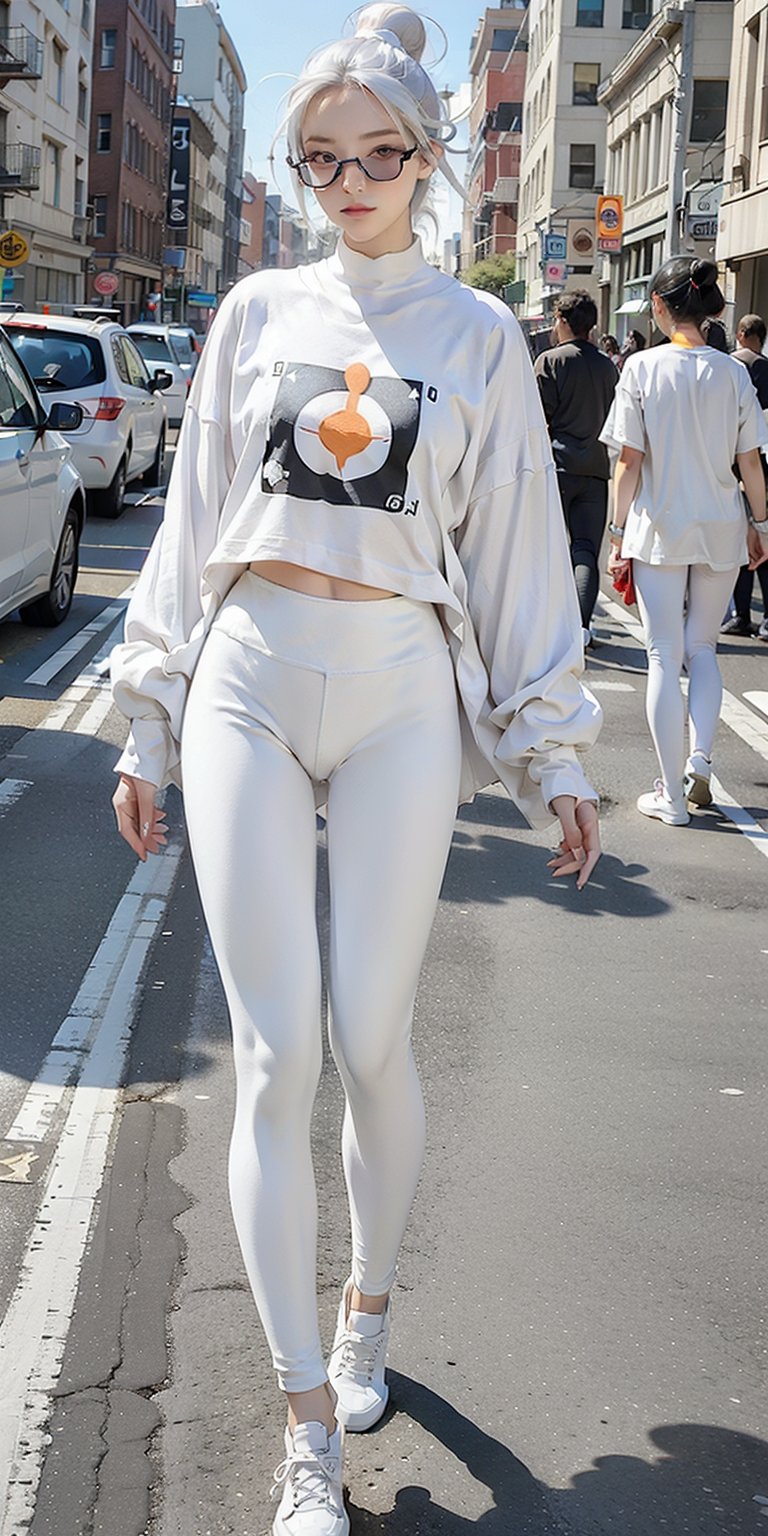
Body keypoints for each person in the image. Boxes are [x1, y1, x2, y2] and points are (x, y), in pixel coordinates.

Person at [109, 8, 602, 1532]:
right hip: (248, 679)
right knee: (277, 1056)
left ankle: (367, 1309)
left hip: (398, 691)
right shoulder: (257, 311)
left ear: (429, 158)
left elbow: (520, 548)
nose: (348, 183)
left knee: (374, 1041)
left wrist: (552, 750)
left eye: (378, 155)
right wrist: (146, 711)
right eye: (320, 160)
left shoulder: (475, 337)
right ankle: (307, 1428)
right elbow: (195, 522)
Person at [602, 256, 768, 825]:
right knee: (703, 650)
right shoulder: (734, 373)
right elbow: (749, 461)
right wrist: (760, 523)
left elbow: (629, 461)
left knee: (663, 654)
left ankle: (671, 795)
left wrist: (617, 532)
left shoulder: (642, 369)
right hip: (721, 521)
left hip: (659, 525)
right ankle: (700, 758)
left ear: (658, 305)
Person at [534, 290, 618, 648]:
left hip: (556, 467)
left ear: (563, 322)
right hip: (596, 470)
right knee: (585, 550)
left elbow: (536, 419)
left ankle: (544, 627)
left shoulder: (550, 361)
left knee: (544, 549)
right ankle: (581, 628)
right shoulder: (608, 366)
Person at [722, 312, 768, 638]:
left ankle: (740, 615)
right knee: (762, 538)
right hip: (761, 464)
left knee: (739, 543)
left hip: (727, 465)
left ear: (740, 334)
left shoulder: (727, 368)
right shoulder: (766, 368)